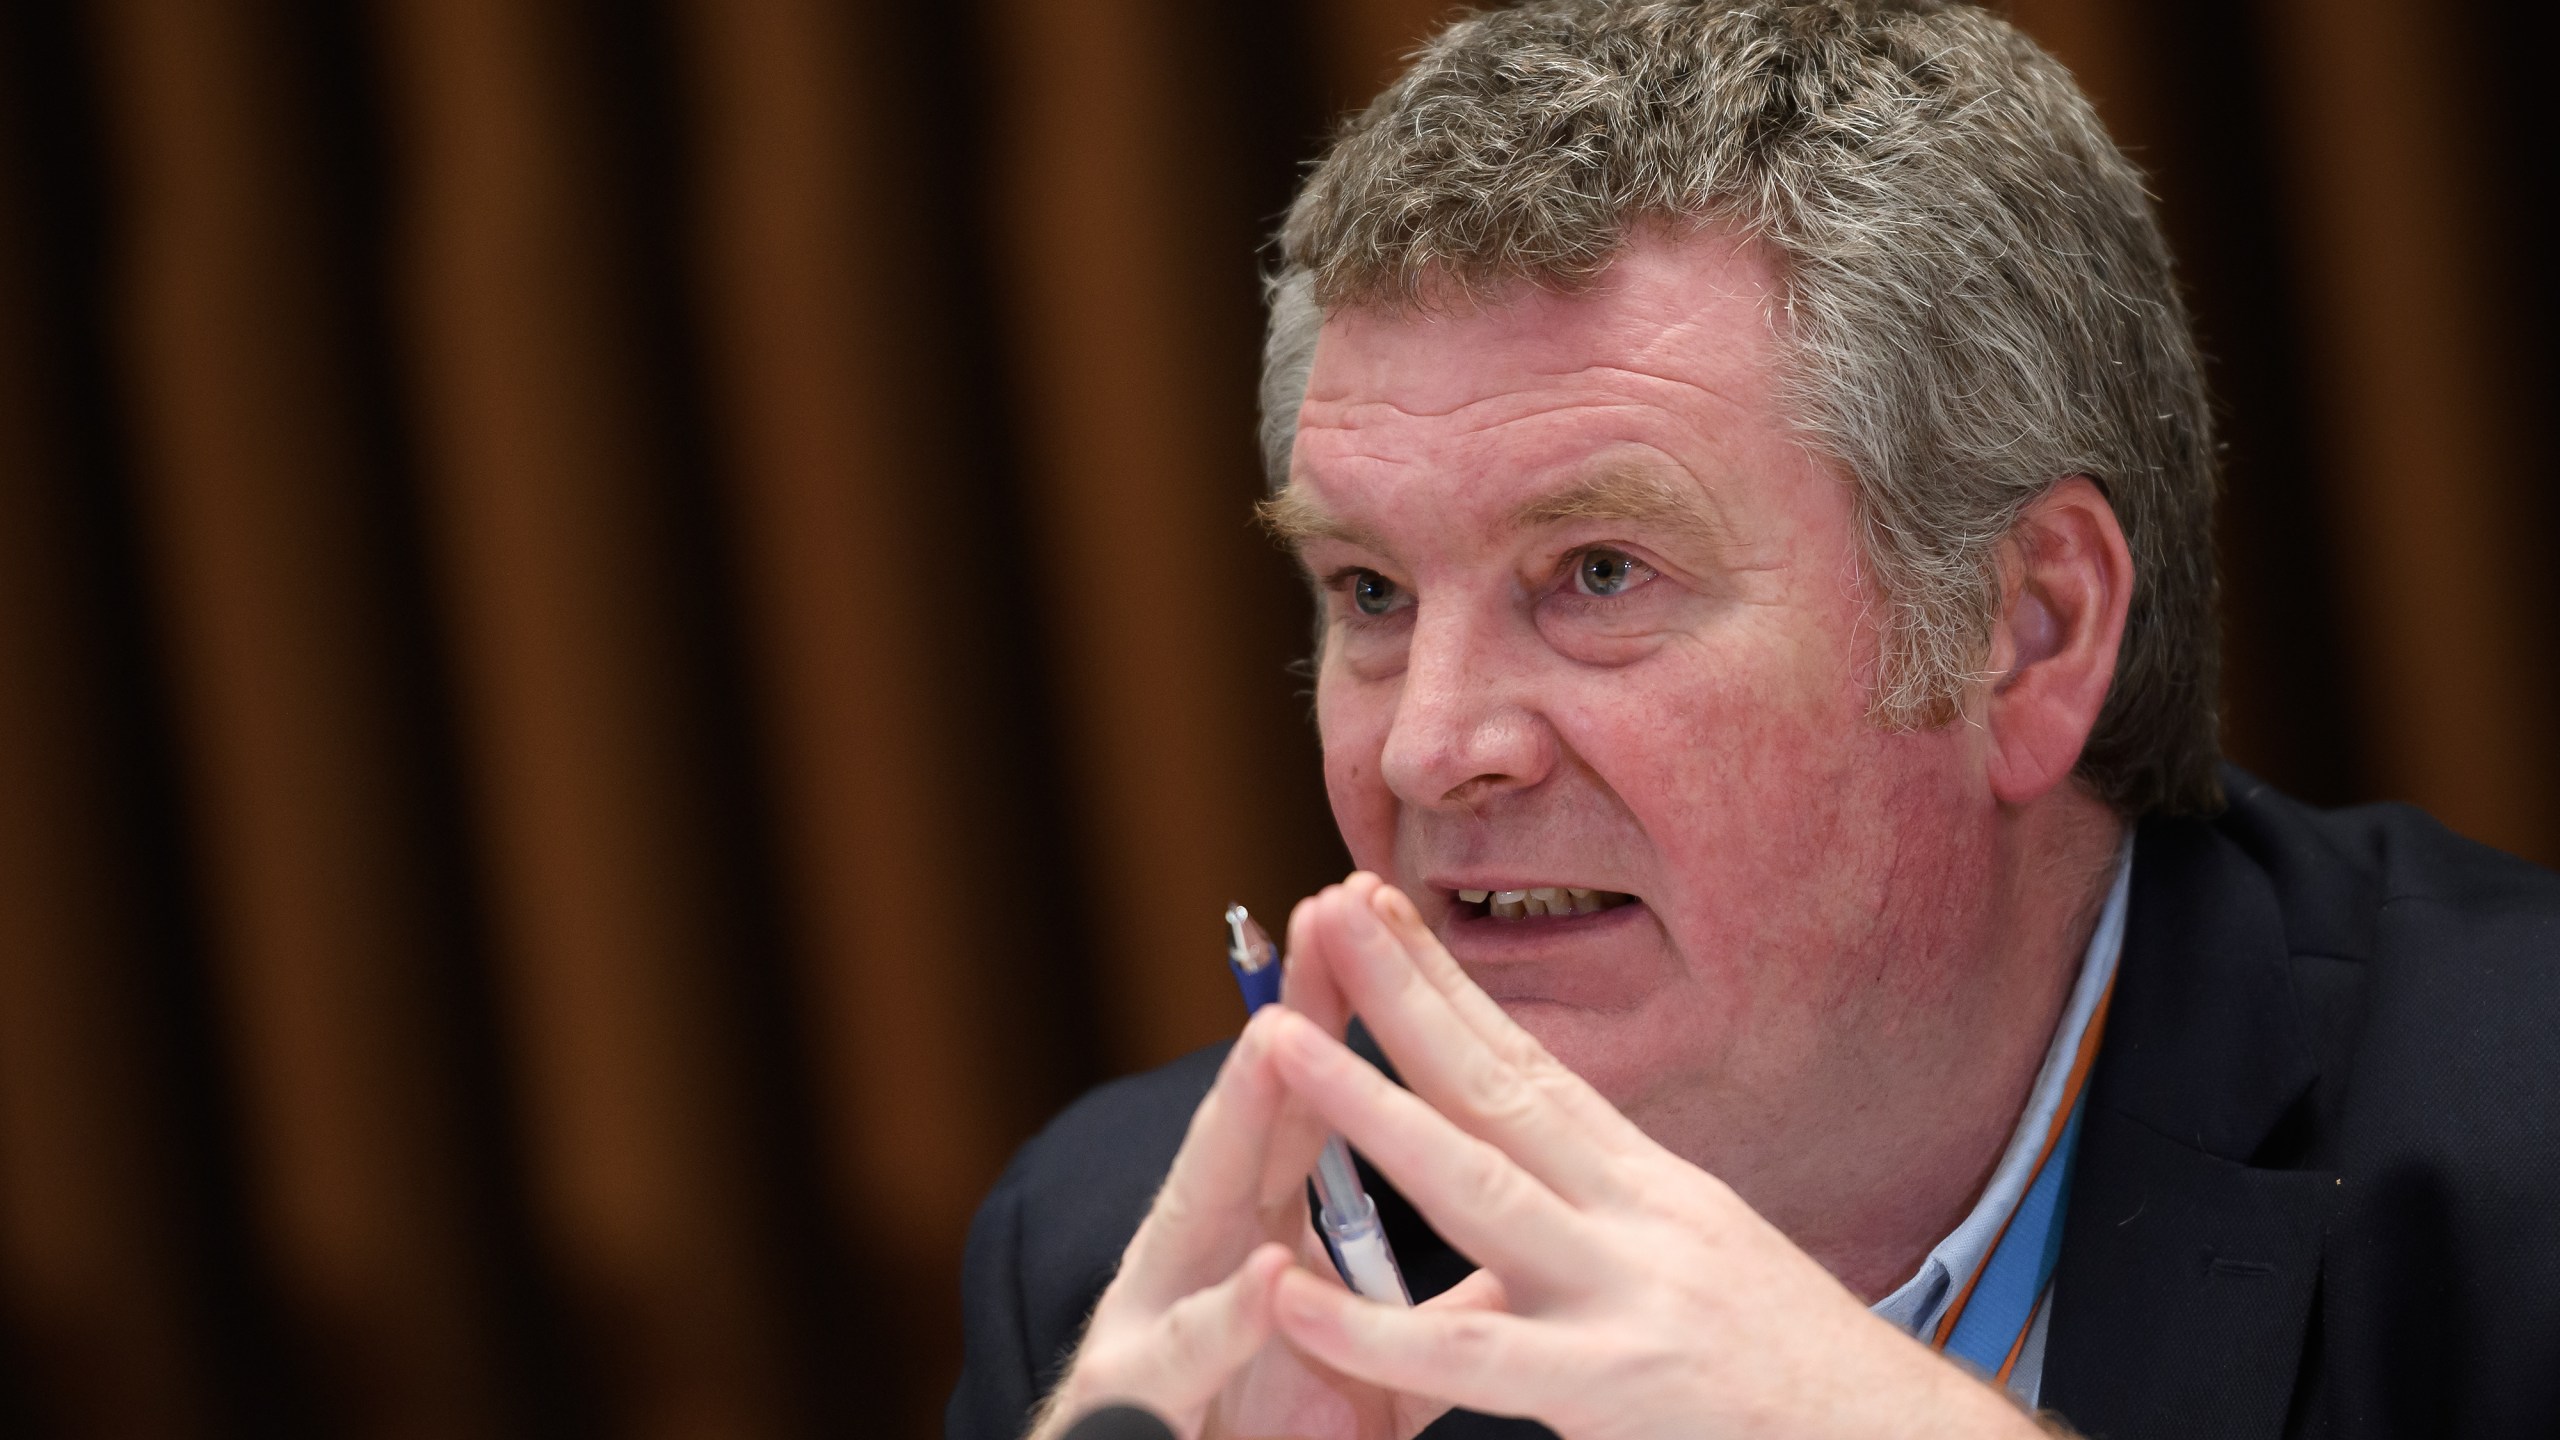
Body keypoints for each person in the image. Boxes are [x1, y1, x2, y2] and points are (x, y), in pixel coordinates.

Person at [947, 2, 2560, 1436]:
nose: (1430, 748)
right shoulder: (1155, 1269)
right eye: (1369, 592)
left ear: (2029, 631)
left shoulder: (2515, 1162)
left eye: (1596, 572)